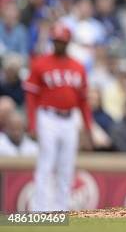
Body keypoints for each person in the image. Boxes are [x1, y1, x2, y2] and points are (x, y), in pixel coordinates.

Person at [23, 23, 93, 211]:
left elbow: (83, 101)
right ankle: (40, 210)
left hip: (70, 119)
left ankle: (60, 209)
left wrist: (88, 128)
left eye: (61, 41)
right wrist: (31, 124)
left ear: (68, 42)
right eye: (56, 41)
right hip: (48, 117)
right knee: (46, 164)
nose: (58, 44)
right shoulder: (40, 63)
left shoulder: (78, 66)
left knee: (66, 166)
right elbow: (31, 97)